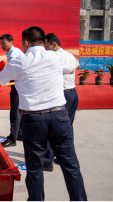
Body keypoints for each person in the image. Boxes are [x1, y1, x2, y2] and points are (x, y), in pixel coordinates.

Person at [0, 27, 87, 202]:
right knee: (71, 166)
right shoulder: (56, 56)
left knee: (35, 168)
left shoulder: (18, 62)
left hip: (33, 119)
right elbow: (71, 67)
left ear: (25, 42)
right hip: (60, 117)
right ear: (43, 41)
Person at [44, 33, 80, 166]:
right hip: (73, 93)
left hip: (61, 95)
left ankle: (47, 161)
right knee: (67, 127)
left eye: (47, 46)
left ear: (54, 44)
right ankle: (63, 156)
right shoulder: (69, 55)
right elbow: (77, 67)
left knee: (52, 127)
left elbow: (70, 70)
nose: (46, 50)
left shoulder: (54, 56)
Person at [0, 34, 24, 147]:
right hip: (16, 84)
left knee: (15, 112)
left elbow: (12, 71)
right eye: (1, 44)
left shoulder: (14, 54)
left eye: (4, 43)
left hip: (18, 85)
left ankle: (12, 139)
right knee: (18, 111)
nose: (2, 46)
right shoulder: (10, 53)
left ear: (11, 42)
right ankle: (19, 134)